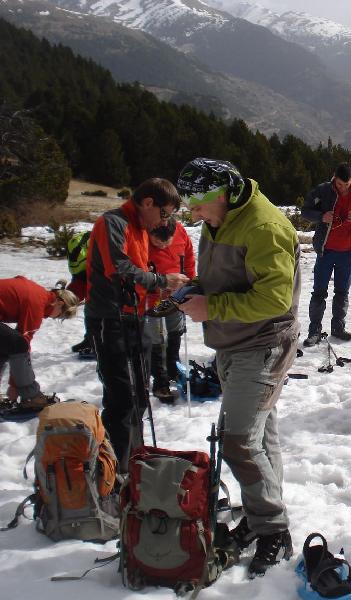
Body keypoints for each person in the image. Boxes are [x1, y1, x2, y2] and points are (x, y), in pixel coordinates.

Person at [176, 157, 300, 578]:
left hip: (263, 345)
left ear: (224, 193)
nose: (192, 215)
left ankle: (272, 528)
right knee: (261, 435)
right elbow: (232, 278)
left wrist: (210, 306)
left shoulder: (263, 227)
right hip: (233, 341)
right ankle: (264, 516)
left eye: (198, 205)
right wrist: (195, 291)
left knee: (238, 442)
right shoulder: (219, 220)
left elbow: (275, 299)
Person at [85, 179, 188, 467]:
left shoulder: (141, 228)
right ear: (148, 203)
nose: (165, 221)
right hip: (110, 319)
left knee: (140, 395)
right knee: (121, 398)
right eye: (165, 213)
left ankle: (134, 459)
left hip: (135, 316)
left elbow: (138, 272)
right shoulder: (113, 223)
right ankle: (116, 469)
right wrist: (161, 280)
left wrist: (159, 286)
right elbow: (119, 268)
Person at [300, 162, 351, 346]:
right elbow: (305, 211)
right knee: (319, 292)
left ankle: (338, 329)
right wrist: (321, 217)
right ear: (333, 177)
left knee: (342, 293)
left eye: (346, 184)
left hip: (348, 253)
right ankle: (314, 331)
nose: (342, 188)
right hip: (325, 251)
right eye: (339, 184)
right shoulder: (323, 190)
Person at [0, 277, 79, 410]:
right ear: (59, 303)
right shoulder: (37, 303)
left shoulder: (38, 294)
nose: (55, 318)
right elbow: (23, 345)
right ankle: (31, 397)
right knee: (18, 345)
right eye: (60, 315)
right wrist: (14, 386)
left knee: (6, 346)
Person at [143, 218, 196, 402]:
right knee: (156, 336)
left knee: (176, 329)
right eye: (158, 241)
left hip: (176, 294)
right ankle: (159, 379)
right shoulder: (142, 237)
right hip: (152, 297)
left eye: (168, 241)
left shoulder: (181, 231)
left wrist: (190, 283)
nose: (164, 245)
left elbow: (188, 259)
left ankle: (173, 367)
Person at [65, 230, 94, 355]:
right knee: (91, 308)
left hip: (92, 273)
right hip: (87, 272)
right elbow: (78, 283)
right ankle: (90, 340)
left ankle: (97, 343)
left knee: (99, 310)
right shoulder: (90, 241)